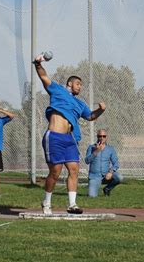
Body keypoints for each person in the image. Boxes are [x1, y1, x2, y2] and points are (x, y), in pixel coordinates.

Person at [33, 53, 106, 214]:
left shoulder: (80, 104)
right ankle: (46, 202)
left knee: (74, 169)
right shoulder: (58, 90)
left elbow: (91, 116)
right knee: (55, 172)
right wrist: (38, 64)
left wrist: (100, 110)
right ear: (69, 84)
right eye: (78, 84)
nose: (80, 86)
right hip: (54, 137)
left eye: (81, 85)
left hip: (69, 139)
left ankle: (72, 204)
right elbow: (44, 77)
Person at [85, 129, 123, 197]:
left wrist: (111, 172)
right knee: (92, 196)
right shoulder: (91, 147)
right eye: (100, 136)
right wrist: (96, 151)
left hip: (106, 176)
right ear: (97, 137)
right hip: (94, 176)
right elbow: (87, 161)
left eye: (104, 136)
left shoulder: (110, 149)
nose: (102, 138)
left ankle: (107, 189)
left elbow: (116, 163)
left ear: (106, 137)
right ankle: (92, 185)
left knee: (119, 177)